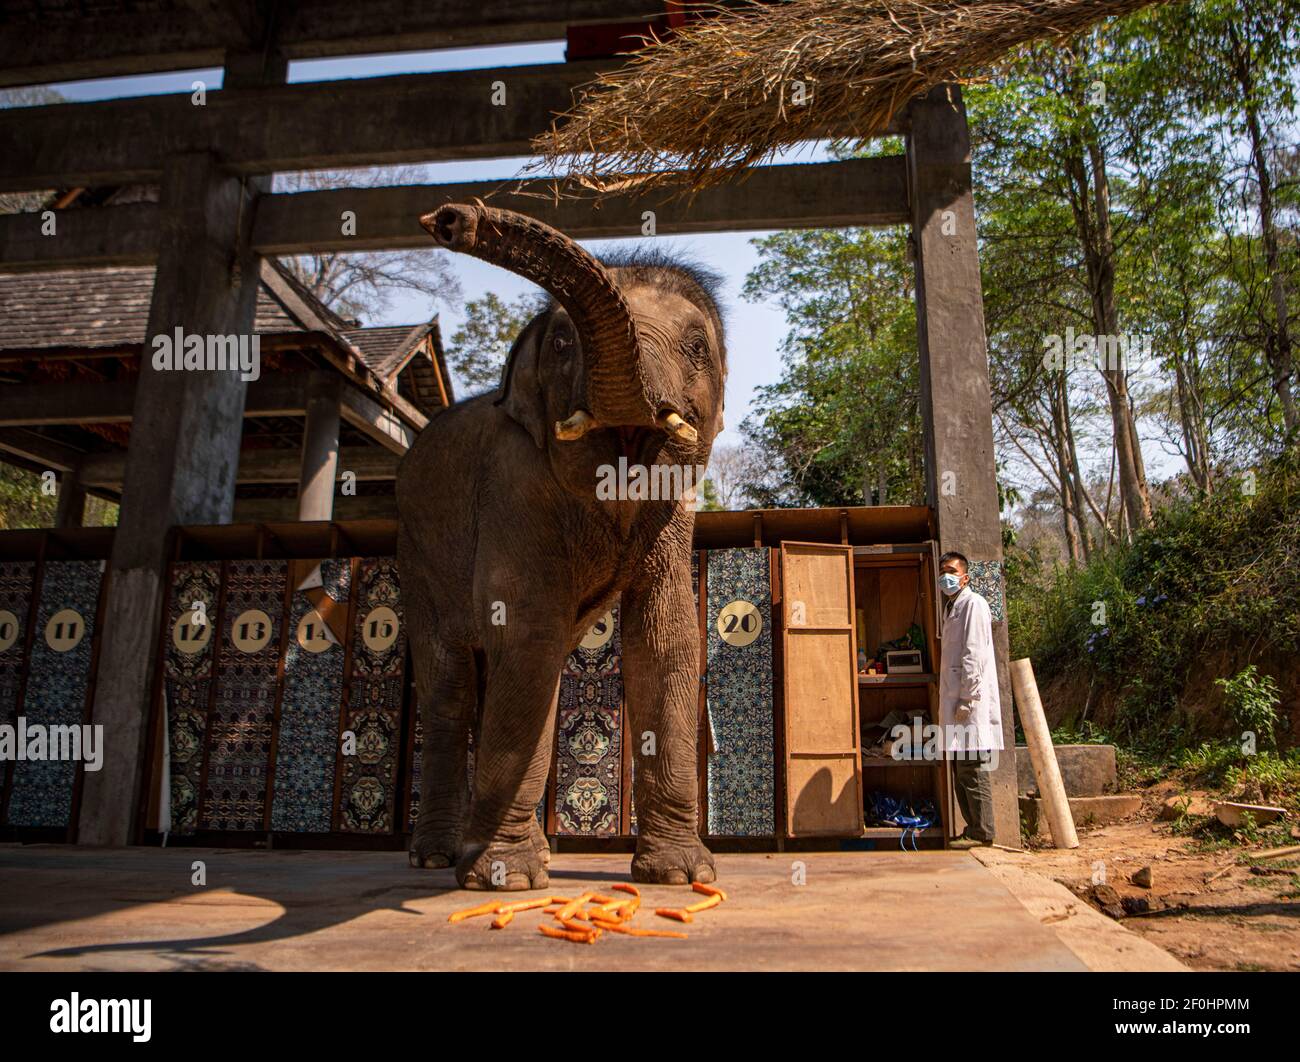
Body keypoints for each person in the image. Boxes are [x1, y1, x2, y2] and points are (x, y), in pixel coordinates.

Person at [937, 550, 1002, 849]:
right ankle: (972, 829)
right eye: (942, 571)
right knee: (961, 770)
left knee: (973, 770)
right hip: (957, 705)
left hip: (969, 705)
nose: (945, 576)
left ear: (965, 576)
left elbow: (973, 655)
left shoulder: (974, 605)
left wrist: (966, 698)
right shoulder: (953, 608)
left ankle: (983, 831)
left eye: (951, 570)